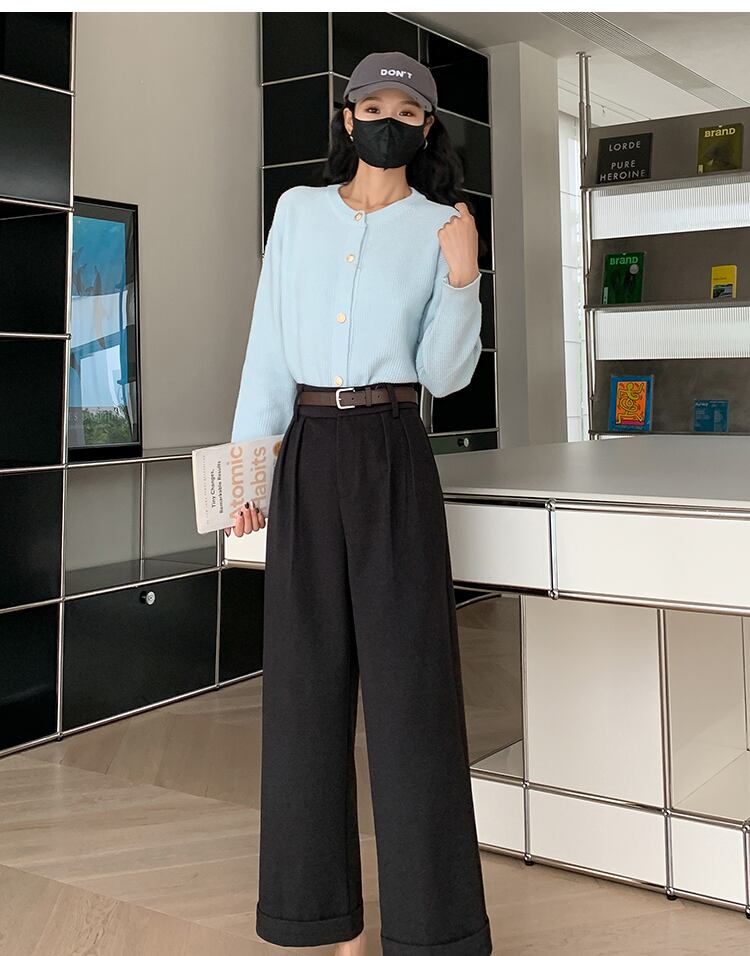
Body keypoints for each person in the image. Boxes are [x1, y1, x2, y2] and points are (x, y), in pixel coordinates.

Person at [227, 50, 493, 956]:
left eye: (406, 112)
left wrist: (464, 277)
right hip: (305, 447)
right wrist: (249, 475)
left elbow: (445, 377)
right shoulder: (297, 213)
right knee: (303, 688)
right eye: (372, 108)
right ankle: (316, 920)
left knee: (413, 693)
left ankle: (433, 932)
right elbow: (268, 345)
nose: (388, 122)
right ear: (347, 119)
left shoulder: (442, 227)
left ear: (426, 128)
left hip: (391, 448)